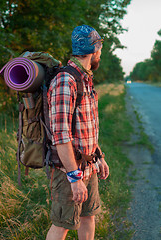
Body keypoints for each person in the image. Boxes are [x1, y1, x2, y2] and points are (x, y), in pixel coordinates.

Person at [46, 25, 109, 240]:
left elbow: (86, 126)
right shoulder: (66, 81)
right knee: (62, 225)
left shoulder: (85, 79)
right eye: (100, 48)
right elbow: (61, 136)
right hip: (68, 172)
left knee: (88, 216)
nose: (101, 53)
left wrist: (98, 156)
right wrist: (74, 178)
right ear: (94, 50)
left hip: (88, 167)